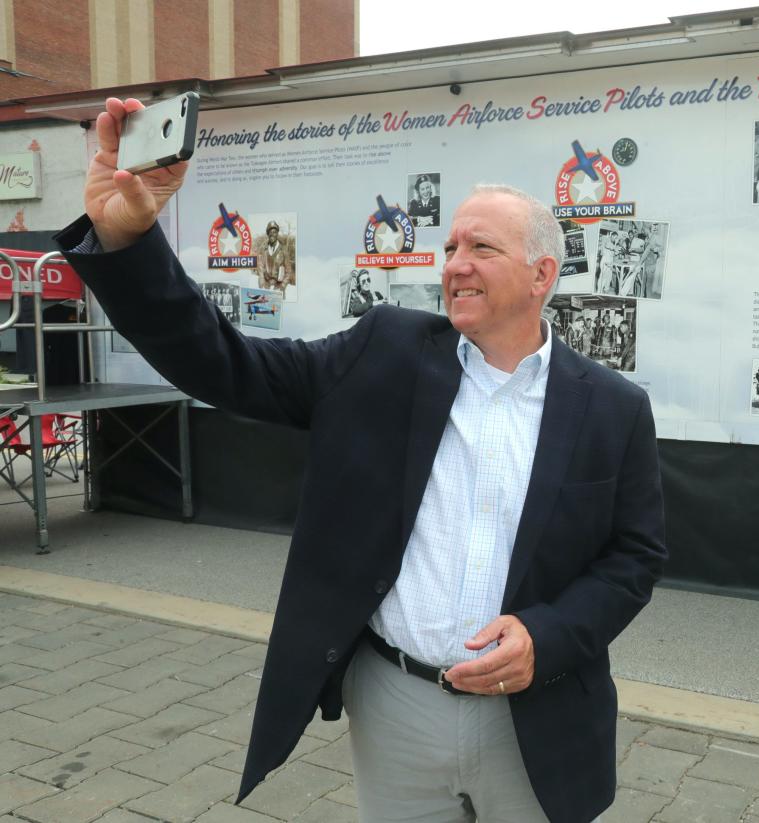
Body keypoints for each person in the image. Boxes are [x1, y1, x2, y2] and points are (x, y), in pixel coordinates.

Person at [57, 97, 667, 823]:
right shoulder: (385, 352)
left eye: (481, 249)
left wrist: (549, 636)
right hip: (397, 706)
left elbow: (634, 556)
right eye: (449, 249)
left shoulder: (612, 406)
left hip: (539, 713)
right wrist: (128, 241)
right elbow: (227, 365)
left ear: (541, 275)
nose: (456, 267)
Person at [256, 220, 292, 293]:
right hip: (266, 285)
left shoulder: (283, 250)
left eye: (274, 232)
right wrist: (261, 280)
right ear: (268, 234)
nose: (272, 234)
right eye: (270, 232)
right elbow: (260, 267)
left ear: (277, 233)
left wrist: (283, 285)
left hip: (279, 286)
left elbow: (288, 271)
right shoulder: (263, 249)